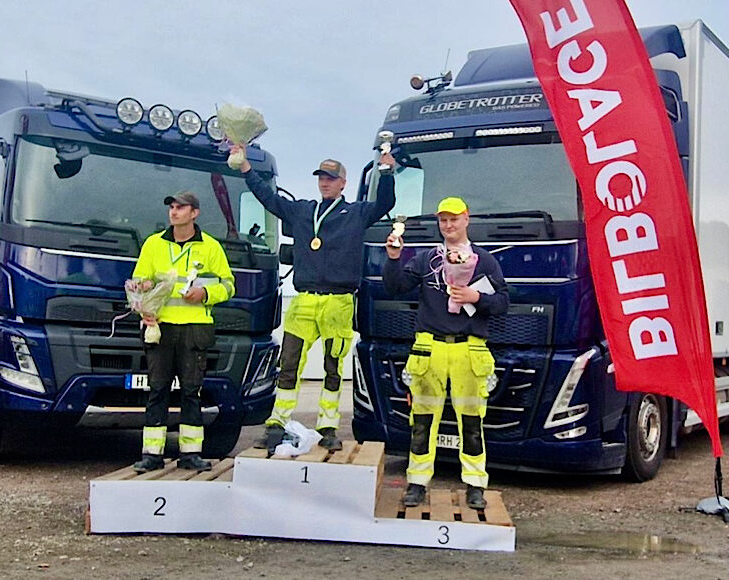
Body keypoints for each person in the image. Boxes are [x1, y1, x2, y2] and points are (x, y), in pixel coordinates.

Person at [231, 143, 395, 452]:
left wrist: (386, 171)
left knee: (333, 368)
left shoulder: (357, 212)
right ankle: (277, 423)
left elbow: (386, 202)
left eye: (331, 178)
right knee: (289, 364)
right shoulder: (303, 210)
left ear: (343, 183)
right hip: (304, 300)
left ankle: (328, 427)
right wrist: (246, 169)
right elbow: (269, 199)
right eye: (321, 177)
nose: (325, 182)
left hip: (338, 302)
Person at [383, 196, 509, 509]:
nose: (448, 225)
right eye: (443, 220)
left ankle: (475, 485)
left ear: (467, 219)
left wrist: (475, 297)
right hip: (430, 350)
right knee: (422, 421)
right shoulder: (426, 259)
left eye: (454, 219)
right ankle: (417, 482)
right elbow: (395, 287)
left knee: (472, 423)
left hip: (469, 350)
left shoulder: (484, 261)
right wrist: (394, 258)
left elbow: (503, 303)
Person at [132, 191, 235, 473]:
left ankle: (190, 454)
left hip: (194, 328)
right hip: (160, 327)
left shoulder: (210, 247)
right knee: (157, 389)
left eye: (180, 207)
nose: (174, 212)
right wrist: (142, 300)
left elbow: (229, 285)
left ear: (194, 213)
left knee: (191, 391)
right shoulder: (154, 244)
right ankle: (152, 454)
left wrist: (205, 294)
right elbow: (139, 281)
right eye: (172, 207)